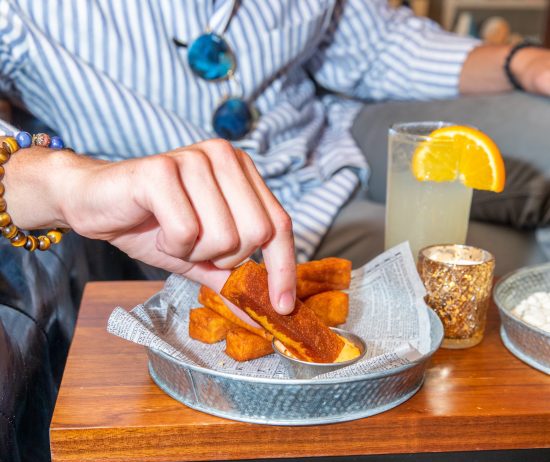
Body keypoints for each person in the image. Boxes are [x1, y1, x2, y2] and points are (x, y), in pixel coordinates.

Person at [1, 0, 550, 312]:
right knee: (501, 282)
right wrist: (57, 180)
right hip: (169, 233)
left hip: (325, 163)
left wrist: (523, 63)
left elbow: (376, 45)